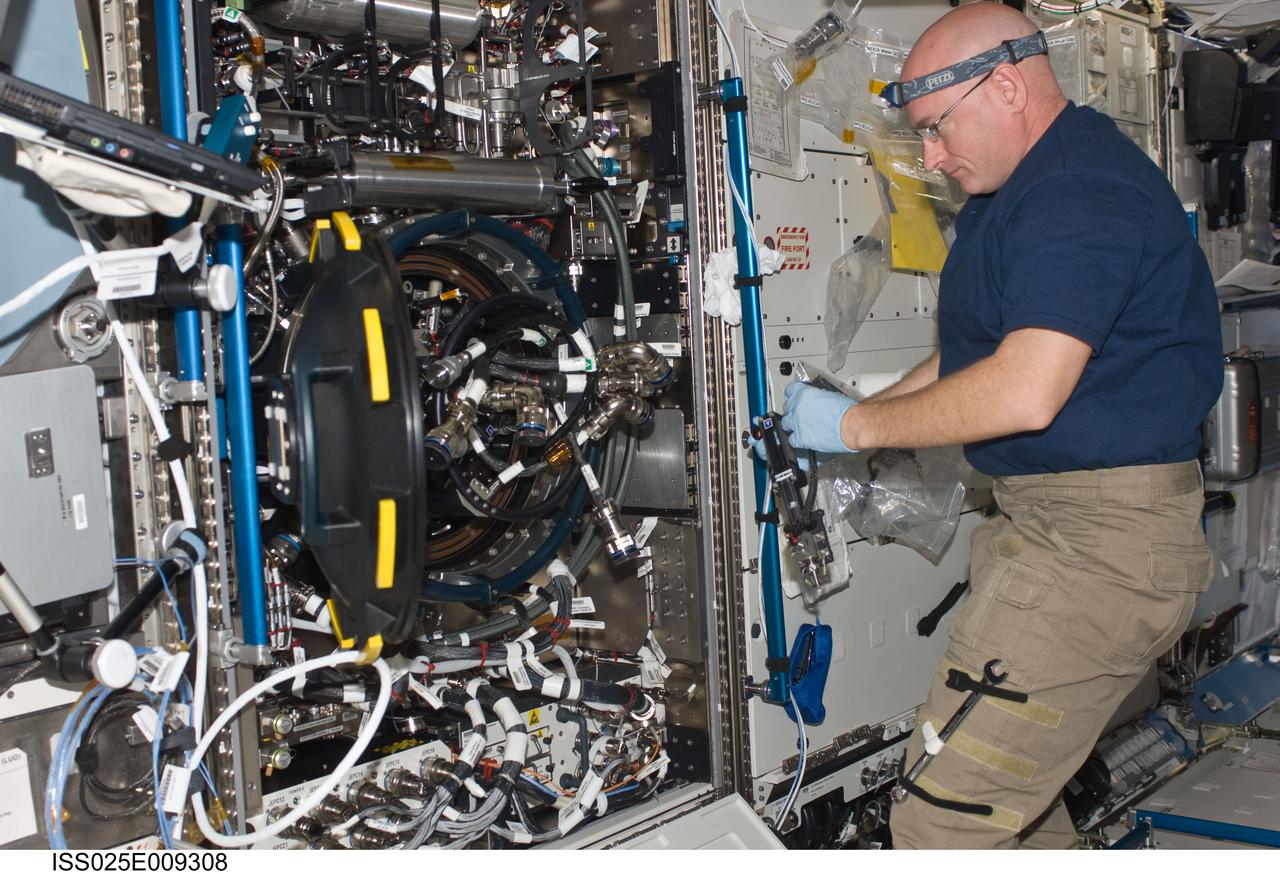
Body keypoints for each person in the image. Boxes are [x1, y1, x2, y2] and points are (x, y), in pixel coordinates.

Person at [777, 2, 1223, 849]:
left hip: (1099, 548)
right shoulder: (1010, 192)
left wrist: (861, 427)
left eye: (935, 129)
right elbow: (969, 357)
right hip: (1055, 529)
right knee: (1013, 810)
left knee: (943, 823)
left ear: (1007, 87)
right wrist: (859, 413)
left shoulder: (1079, 190)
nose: (931, 158)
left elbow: (1025, 392)